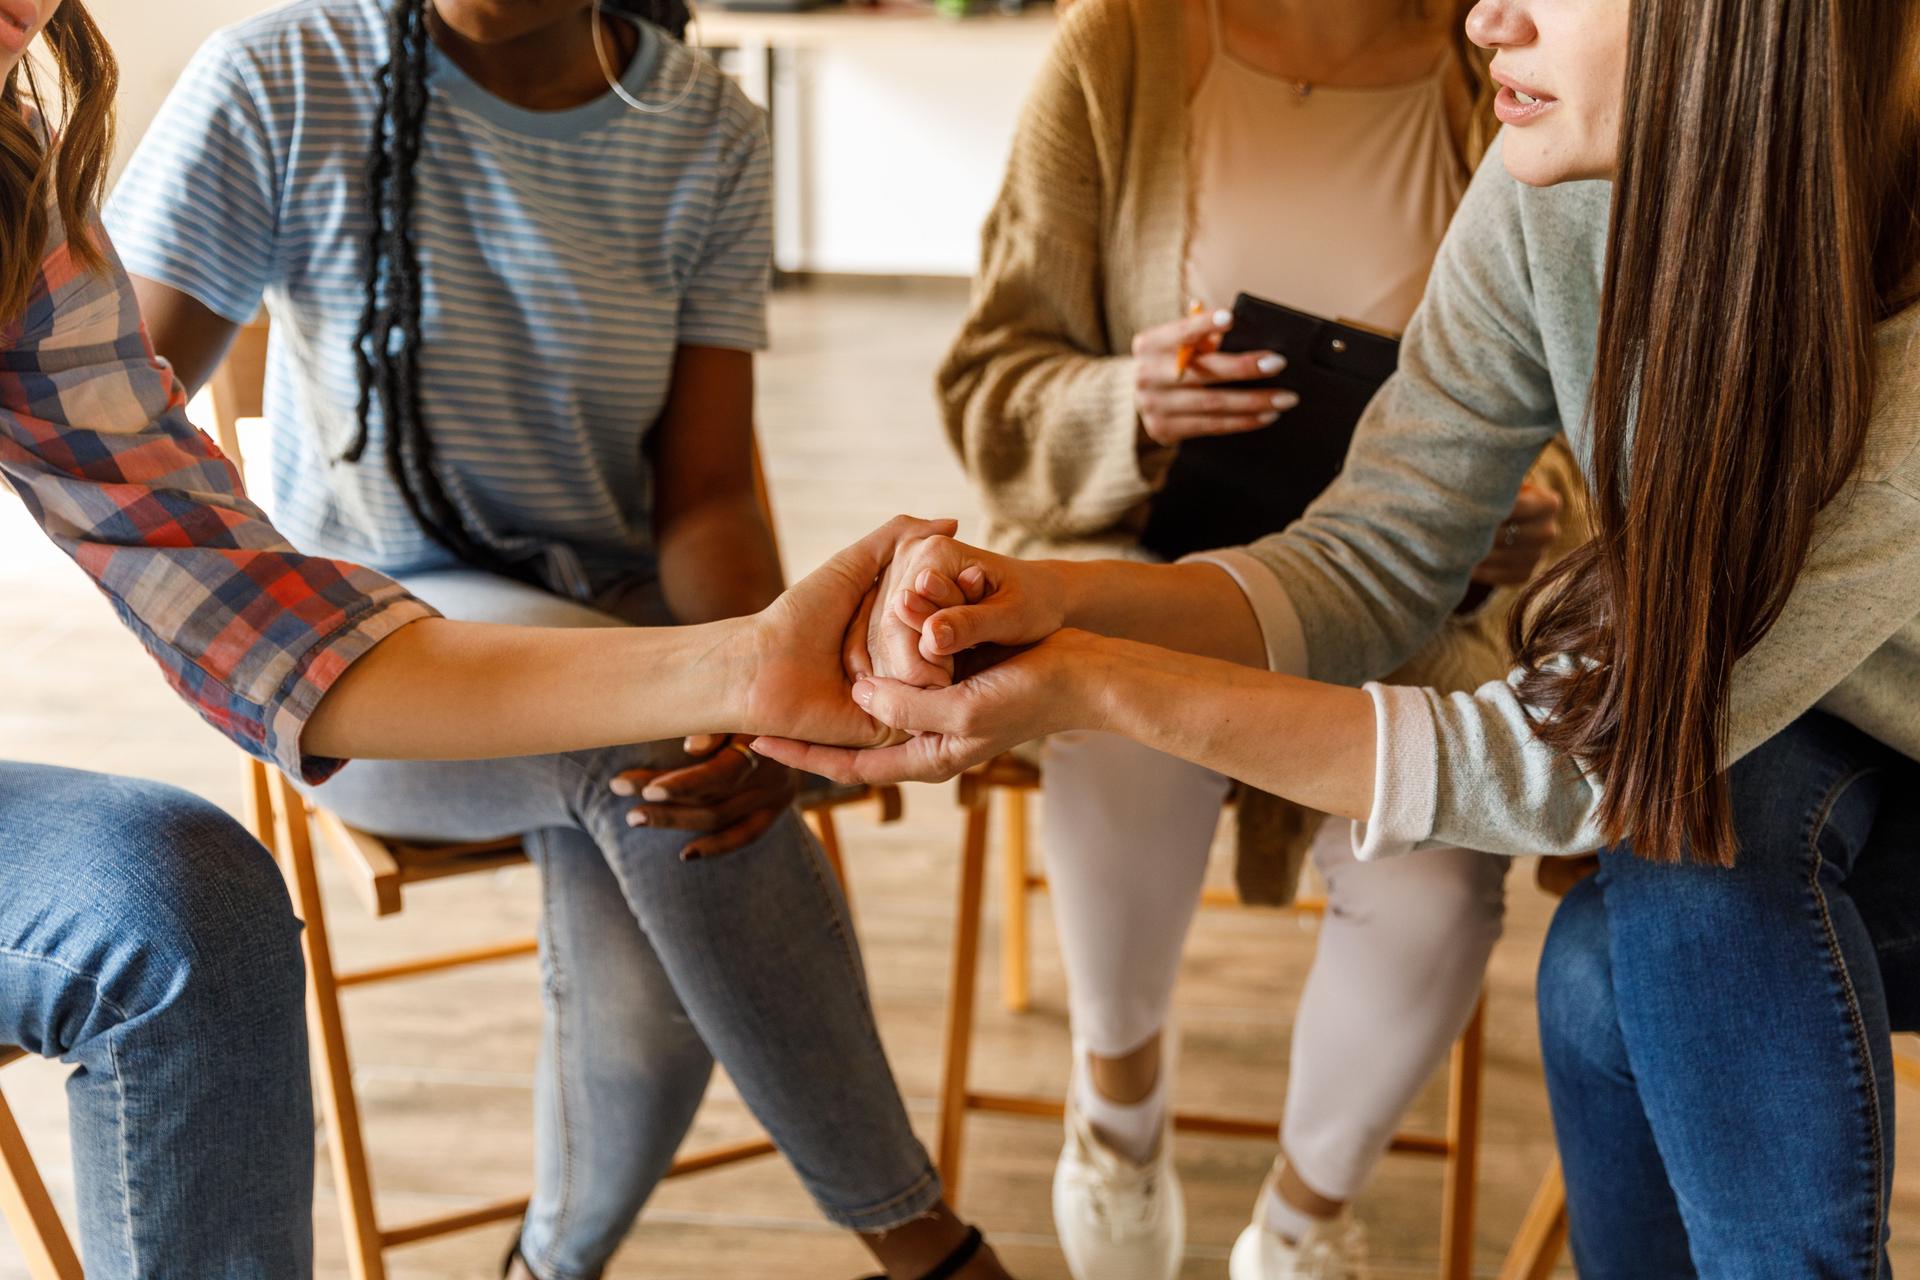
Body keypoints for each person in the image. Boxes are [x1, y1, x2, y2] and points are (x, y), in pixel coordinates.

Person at [760, 0, 1920, 1275]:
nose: (1489, 13)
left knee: (1660, 886)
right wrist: (1052, 598)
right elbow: (1373, 554)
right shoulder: (1558, 174)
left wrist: (1095, 676)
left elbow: (1569, 761)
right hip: (1793, 719)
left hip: (1842, 754)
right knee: (1609, 956)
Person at [2, 5, 1012, 1278]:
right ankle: (924, 1241)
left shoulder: (705, 128)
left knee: (663, 872)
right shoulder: (284, 75)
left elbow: (702, 492)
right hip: (382, 657)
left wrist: (758, 677)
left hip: (602, 641)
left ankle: (551, 1264)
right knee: (648, 763)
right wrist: (731, 670)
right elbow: (127, 405)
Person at [933, 0, 1580, 1273]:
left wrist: (1524, 507)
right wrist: (1133, 403)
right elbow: (991, 383)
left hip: (1416, 593)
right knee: (1120, 705)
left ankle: (1301, 1220)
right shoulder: (1118, 53)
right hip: (1153, 555)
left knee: (1443, 876)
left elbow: (1575, 389)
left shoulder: (1507, 70)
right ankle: (1116, 1113)